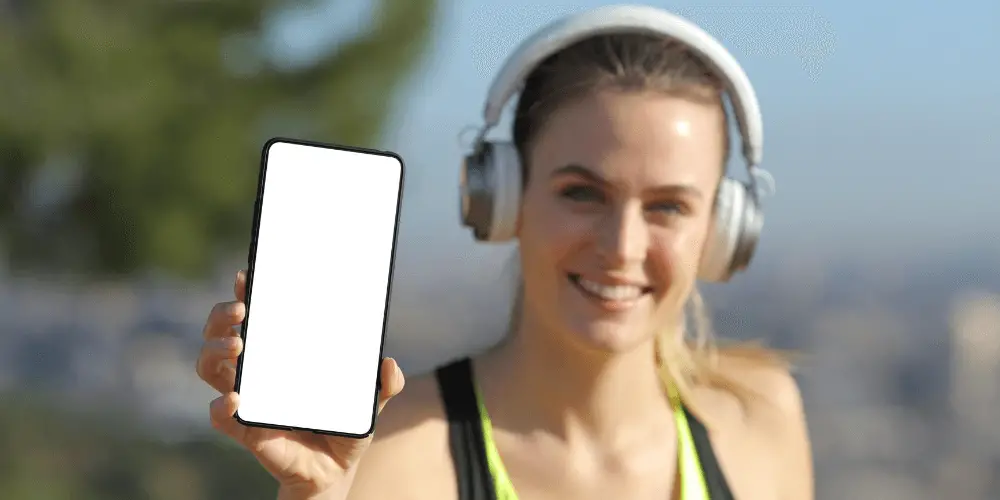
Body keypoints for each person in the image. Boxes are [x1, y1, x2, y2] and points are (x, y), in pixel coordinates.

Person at [196, 5, 813, 500]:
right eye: (582, 193)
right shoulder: (389, 457)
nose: (622, 246)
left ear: (723, 228)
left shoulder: (762, 417)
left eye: (669, 207)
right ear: (502, 198)